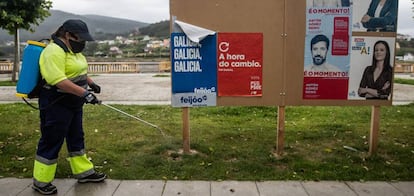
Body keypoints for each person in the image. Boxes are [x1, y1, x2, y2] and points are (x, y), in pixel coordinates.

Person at [32, 19, 106, 195]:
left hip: (73, 102)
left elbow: (77, 71)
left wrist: (90, 83)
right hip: (55, 103)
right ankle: (41, 181)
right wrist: (84, 93)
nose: (82, 42)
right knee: (52, 139)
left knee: (76, 137)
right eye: (80, 38)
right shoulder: (53, 52)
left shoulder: (73, 50)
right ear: (67, 35)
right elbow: (58, 80)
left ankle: (84, 172)